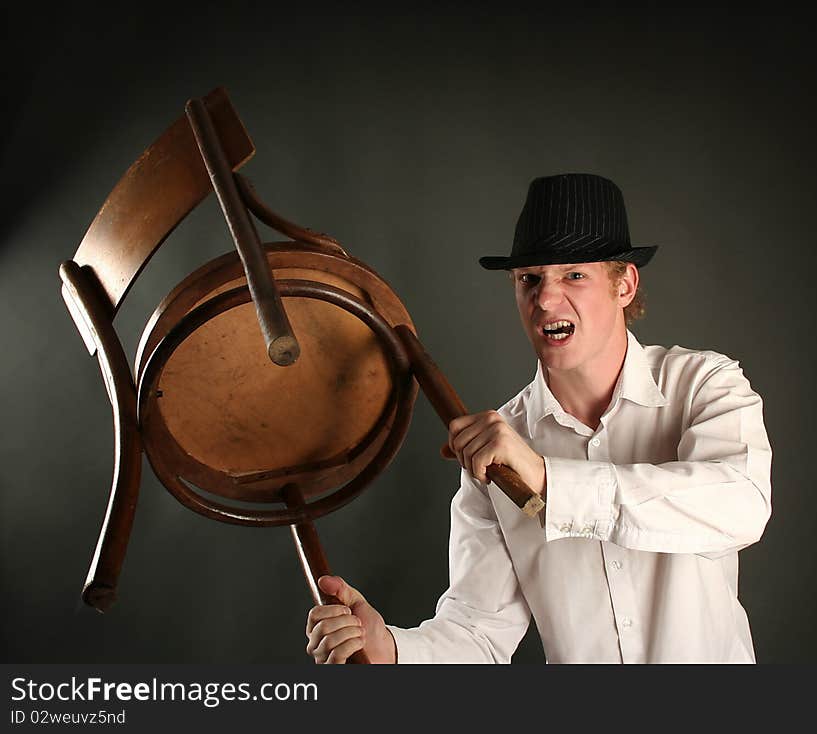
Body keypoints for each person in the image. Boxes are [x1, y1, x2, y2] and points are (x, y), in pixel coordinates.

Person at [305, 173, 772, 664]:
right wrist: (391, 649)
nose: (546, 300)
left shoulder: (703, 384)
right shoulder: (497, 451)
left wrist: (549, 480)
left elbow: (741, 504)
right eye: (530, 279)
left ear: (625, 284)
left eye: (574, 275)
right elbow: (478, 633)